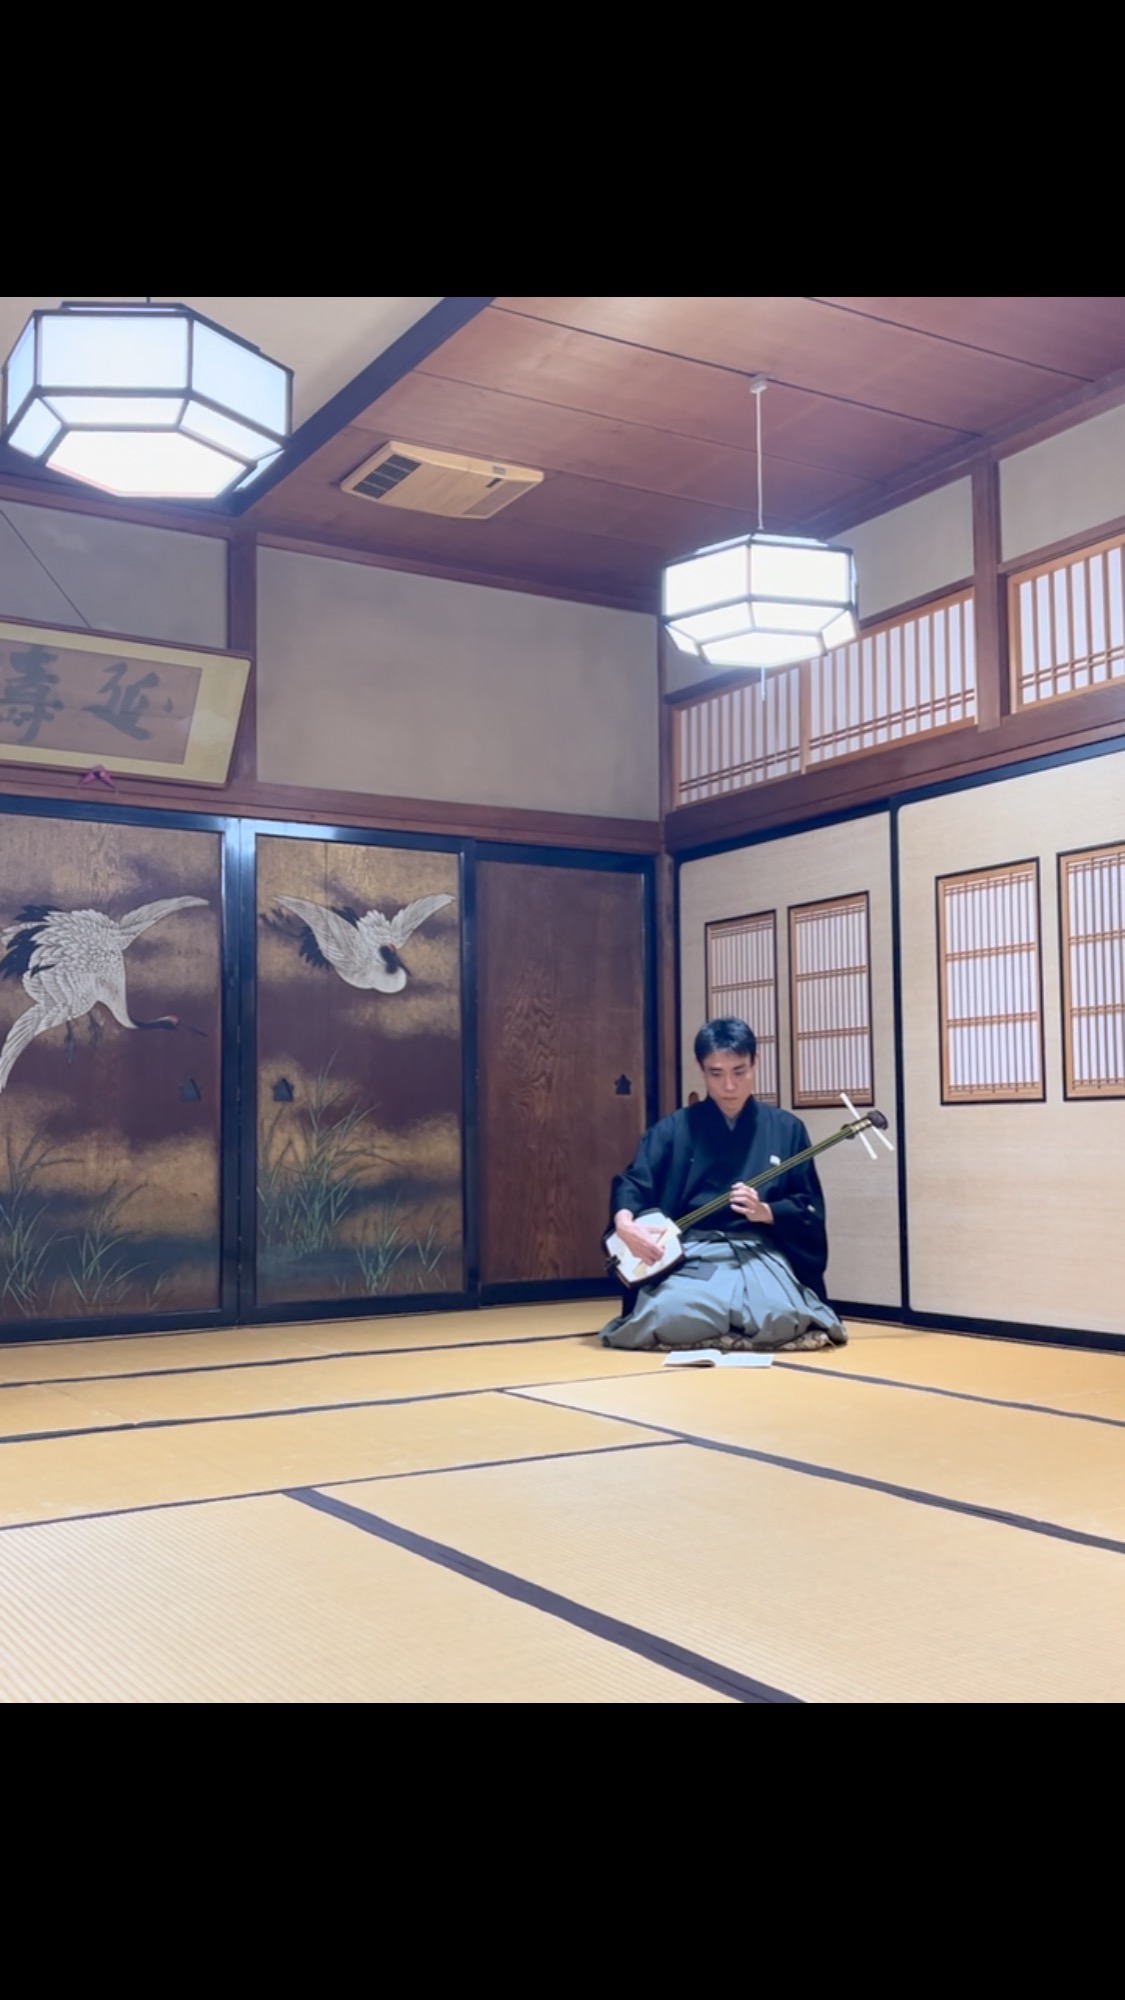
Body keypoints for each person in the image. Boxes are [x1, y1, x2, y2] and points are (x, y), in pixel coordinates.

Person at [601, 1017, 846, 1353]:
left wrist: (768, 1212)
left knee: (780, 1316)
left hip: (759, 1251)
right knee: (671, 1314)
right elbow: (634, 1182)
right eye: (716, 1074)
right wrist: (624, 1223)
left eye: (739, 1071)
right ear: (701, 1070)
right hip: (693, 1252)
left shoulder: (787, 1129)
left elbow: (808, 1206)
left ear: (755, 1063)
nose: (729, 1086)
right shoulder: (672, 1130)